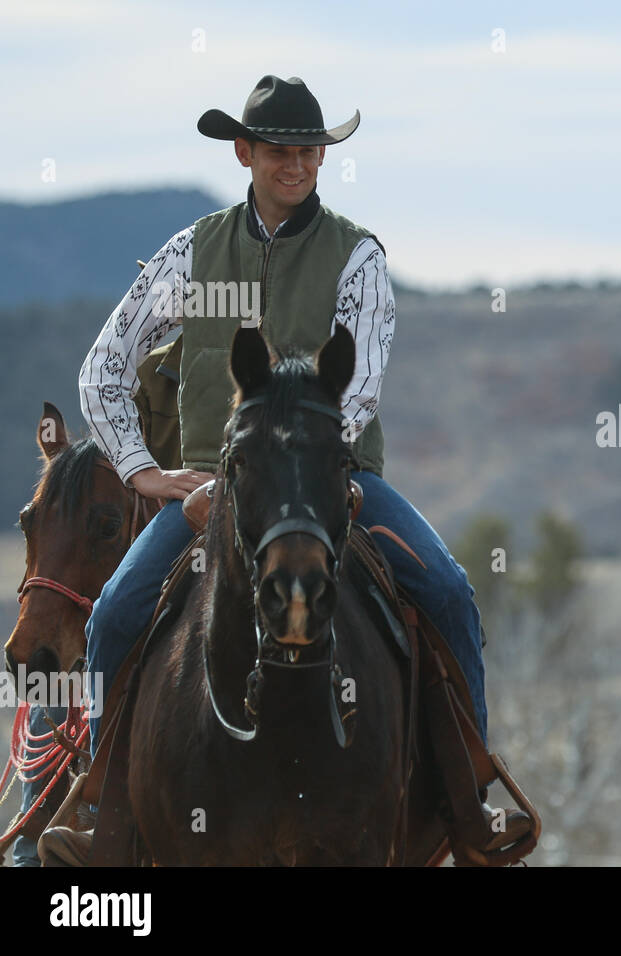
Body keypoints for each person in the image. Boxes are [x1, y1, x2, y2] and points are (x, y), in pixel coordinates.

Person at [38, 76, 530, 865]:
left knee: (447, 589)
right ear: (246, 152)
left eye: (309, 150)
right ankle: (102, 807)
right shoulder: (191, 252)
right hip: (208, 486)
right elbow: (104, 367)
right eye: (279, 150)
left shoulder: (357, 256)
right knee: (114, 616)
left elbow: (360, 388)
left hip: (334, 485)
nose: (295, 164)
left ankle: (471, 797)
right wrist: (141, 471)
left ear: (322, 158)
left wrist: (309, 464)